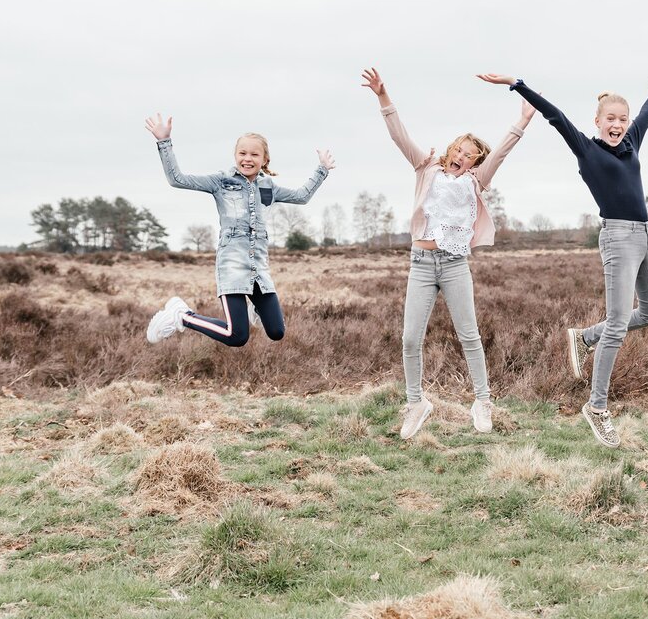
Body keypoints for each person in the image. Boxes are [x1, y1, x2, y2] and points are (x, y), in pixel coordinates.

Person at [478, 72, 648, 448]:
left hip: (647, 234)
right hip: (617, 237)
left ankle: (585, 337)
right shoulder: (587, 149)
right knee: (617, 324)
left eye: (622, 119)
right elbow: (556, 117)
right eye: (610, 119)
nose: (618, 125)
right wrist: (516, 84)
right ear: (597, 122)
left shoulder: (631, 142)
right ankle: (597, 408)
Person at [361, 68, 535, 439]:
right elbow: (399, 136)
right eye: (459, 149)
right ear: (451, 149)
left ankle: (483, 401)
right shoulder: (426, 167)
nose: (461, 155)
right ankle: (415, 403)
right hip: (421, 264)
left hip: (455, 264)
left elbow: (501, 153)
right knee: (410, 338)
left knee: (469, 335)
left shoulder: (477, 181)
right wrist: (382, 97)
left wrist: (521, 120)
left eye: (469, 155)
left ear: (474, 162)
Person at [143, 113, 333, 347]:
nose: (247, 158)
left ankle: (254, 305)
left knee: (276, 331)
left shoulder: (268, 187)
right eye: (242, 153)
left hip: (259, 271)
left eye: (254, 154)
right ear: (235, 156)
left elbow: (302, 197)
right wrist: (164, 142)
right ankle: (182, 316)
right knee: (237, 336)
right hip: (232, 268)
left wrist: (322, 170)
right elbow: (177, 179)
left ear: (264, 159)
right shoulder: (221, 182)